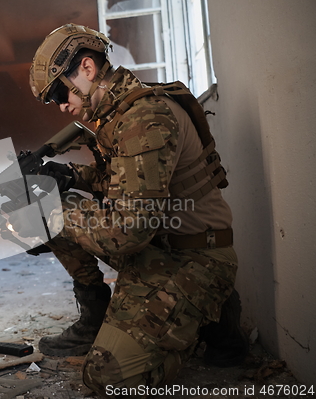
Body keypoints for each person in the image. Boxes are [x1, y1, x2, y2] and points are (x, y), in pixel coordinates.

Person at [16, 23, 248, 396]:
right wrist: (70, 175)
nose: (60, 105)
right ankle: (96, 320)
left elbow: (127, 232)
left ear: (87, 69)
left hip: (195, 258)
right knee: (59, 211)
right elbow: (123, 180)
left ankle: (208, 317)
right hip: (163, 246)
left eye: (59, 91)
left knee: (107, 378)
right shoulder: (120, 114)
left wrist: (56, 209)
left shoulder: (145, 118)